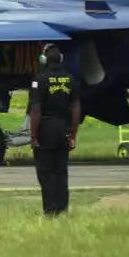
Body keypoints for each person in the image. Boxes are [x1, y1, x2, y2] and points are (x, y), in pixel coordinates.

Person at [27, 43, 82, 216]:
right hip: (63, 129)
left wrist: (34, 135)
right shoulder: (70, 79)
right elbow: (76, 108)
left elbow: (36, 110)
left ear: (43, 59)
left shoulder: (39, 80)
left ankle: (50, 211)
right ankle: (63, 209)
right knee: (61, 172)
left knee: (46, 172)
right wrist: (73, 134)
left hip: (46, 129)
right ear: (61, 59)